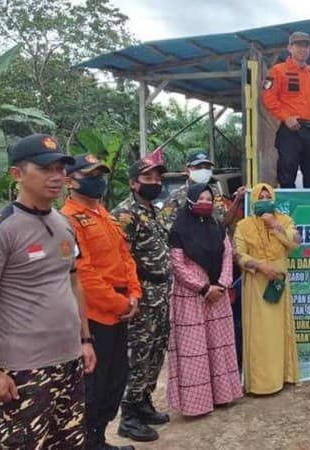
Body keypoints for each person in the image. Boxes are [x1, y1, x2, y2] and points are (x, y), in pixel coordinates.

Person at [0, 134, 96, 448]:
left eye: (61, 168)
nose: (57, 177)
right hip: (25, 370)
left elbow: (73, 281)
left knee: (70, 442)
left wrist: (85, 339)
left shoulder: (63, 223)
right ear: (17, 174)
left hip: (69, 362)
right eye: (45, 168)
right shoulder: (0, 228)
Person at [62, 154, 141, 450]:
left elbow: (125, 257)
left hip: (121, 308)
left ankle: (99, 439)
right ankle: (88, 442)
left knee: (115, 380)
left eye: (100, 174)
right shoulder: (69, 220)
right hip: (96, 316)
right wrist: (120, 304)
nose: (99, 181)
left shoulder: (103, 213)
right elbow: (84, 274)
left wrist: (134, 294)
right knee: (93, 387)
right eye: (90, 175)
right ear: (70, 181)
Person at [111, 149, 172, 442]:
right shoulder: (125, 214)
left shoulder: (152, 209)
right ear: (134, 183)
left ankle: (144, 401)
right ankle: (129, 415)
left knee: (156, 351)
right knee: (138, 355)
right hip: (141, 296)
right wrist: (128, 295)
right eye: (148, 177)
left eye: (158, 176)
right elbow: (118, 260)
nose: (155, 181)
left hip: (160, 294)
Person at [167, 183, 243, 416]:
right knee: (195, 349)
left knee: (219, 345)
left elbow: (227, 254)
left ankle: (222, 395)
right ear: (189, 200)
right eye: (200, 197)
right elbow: (177, 265)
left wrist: (222, 283)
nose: (205, 202)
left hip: (218, 293)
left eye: (209, 198)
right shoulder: (178, 229)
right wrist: (202, 288)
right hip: (192, 296)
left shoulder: (217, 227)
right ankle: (196, 404)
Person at [233, 183, 301, 394]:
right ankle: (260, 383)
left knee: (280, 332)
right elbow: (237, 254)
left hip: (278, 282)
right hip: (256, 283)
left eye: (267, 196)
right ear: (253, 200)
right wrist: (260, 266)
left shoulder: (285, 220)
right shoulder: (243, 225)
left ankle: (283, 376)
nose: (264, 200)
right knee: (259, 334)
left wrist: (274, 226)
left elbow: (295, 243)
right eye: (260, 197)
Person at [262, 31, 310, 188]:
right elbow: (268, 98)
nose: (303, 49)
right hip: (291, 130)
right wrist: (286, 117)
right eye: (298, 46)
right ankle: (287, 209)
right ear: (289, 48)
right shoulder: (278, 71)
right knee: (287, 173)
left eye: (306, 46)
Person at [159, 149, 245, 230]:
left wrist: (237, 200)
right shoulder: (177, 196)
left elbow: (223, 222)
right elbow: (166, 226)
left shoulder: (215, 194)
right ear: (187, 170)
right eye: (198, 167)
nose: (203, 171)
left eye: (207, 168)